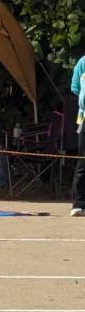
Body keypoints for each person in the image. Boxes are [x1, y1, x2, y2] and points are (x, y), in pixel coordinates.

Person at [71, 48, 85, 216]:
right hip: (84, 119)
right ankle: (78, 204)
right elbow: (75, 88)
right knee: (83, 161)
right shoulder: (82, 62)